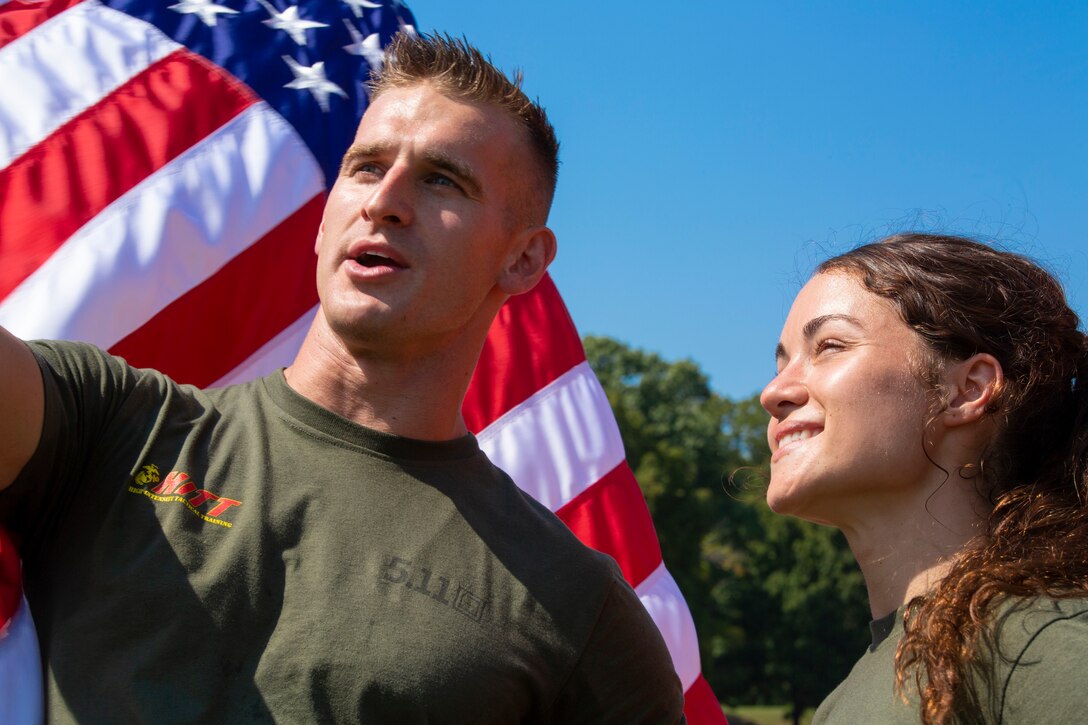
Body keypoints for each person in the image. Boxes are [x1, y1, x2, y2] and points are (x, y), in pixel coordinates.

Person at [0, 33, 685, 723]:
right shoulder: (117, 426)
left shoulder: (574, 605)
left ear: (525, 261)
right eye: (364, 167)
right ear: (324, 223)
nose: (383, 200)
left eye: (442, 179)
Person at [760, 233, 1088, 724]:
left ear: (967, 390)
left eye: (830, 345)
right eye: (781, 362)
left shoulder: (1041, 647)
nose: (773, 393)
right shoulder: (844, 700)